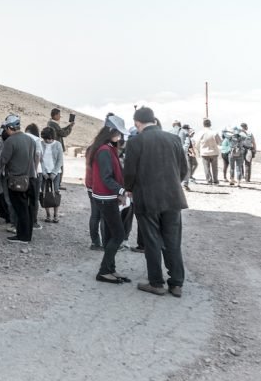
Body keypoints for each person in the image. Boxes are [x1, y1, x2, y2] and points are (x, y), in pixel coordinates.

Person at [123, 106, 188, 298]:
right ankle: (176, 284)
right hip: (173, 198)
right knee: (173, 241)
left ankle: (156, 283)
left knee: (152, 241)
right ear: (154, 119)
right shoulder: (174, 139)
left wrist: (129, 188)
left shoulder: (136, 142)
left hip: (147, 199)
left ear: (137, 122)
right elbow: (183, 170)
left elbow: (130, 173)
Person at [87, 115, 131, 284]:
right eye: (118, 134)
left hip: (106, 196)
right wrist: (122, 191)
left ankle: (110, 269)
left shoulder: (105, 148)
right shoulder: (104, 151)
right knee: (119, 234)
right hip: (106, 198)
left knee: (111, 234)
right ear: (111, 132)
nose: (120, 137)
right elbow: (106, 178)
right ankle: (104, 271)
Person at [0, 115, 39, 244]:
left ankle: (22, 236)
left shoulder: (10, 141)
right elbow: (34, 158)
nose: (5, 131)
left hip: (17, 180)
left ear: (10, 127)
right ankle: (27, 235)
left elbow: (3, 160)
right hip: (31, 178)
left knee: (20, 209)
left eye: (5, 128)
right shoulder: (30, 140)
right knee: (28, 209)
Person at [39, 127, 63, 223]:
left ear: (53, 137)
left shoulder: (58, 145)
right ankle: (48, 215)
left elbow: (60, 160)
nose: (48, 141)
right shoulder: (40, 144)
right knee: (44, 193)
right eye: (46, 139)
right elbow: (39, 160)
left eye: (50, 139)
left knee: (55, 193)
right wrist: (44, 172)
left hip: (55, 173)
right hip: (43, 172)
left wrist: (54, 172)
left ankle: (56, 215)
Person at [24, 123, 44, 230]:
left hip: (23, 171)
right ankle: (33, 221)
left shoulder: (22, 137)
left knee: (23, 196)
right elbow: (38, 156)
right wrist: (35, 171)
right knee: (34, 198)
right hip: (36, 172)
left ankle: (21, 220)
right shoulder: (37, 140)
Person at [197, 119, 221, 185]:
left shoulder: (200, 133)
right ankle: (215, 180)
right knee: (215, 168)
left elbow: (197, 143)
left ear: (203, 124)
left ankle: (209, 180)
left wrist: (199, 151)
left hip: (204, 152)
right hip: (214, 152)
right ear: (210, 124)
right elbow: (219, 142)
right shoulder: (214, 132)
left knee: (206, 167)